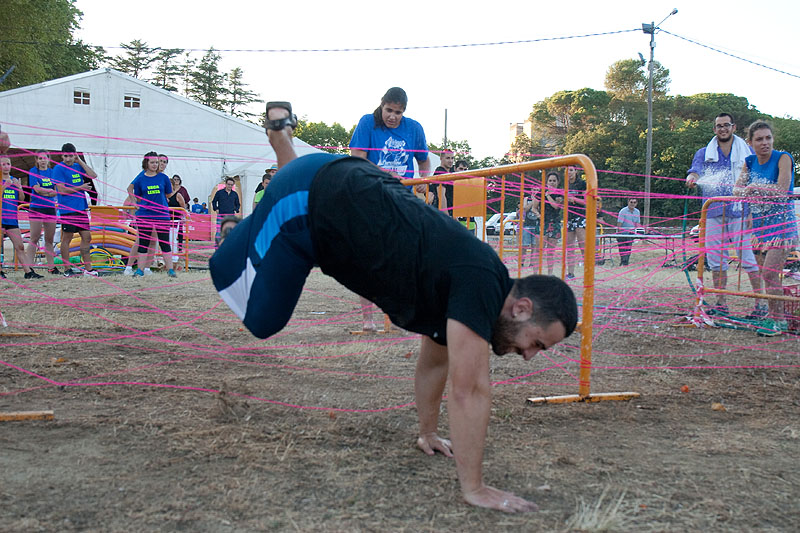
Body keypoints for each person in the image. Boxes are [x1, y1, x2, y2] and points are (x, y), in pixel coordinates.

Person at [210, 101, 578, 513]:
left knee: (276, 295)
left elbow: (435, 363)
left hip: (341, 190)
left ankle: (283, 142)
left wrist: (428, 433)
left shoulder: (469, 290)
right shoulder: (481, 285)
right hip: (306, 204)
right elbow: (469, 390)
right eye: (538, 344)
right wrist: (474, 488)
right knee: (262, 318)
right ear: (523, 309)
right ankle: (238, 228)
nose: (529, 355)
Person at [349, 87, 431, 330]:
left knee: (401, 258)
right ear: (381, 105)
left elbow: (424, 159)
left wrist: (422, 181)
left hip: (401, 200)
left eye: (398, 112)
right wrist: (384, 172)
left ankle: (398, 314)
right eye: (389, 110)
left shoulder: (413, 128)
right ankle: (368, 321)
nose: (392, 116)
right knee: (368, 259)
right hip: (370, 197)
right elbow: (356, 159)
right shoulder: (367, 123)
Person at [686, 113, 763, 317]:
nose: (722, 129)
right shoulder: (704, 153)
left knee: (747, 257)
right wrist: (692, 178)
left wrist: (750, 212)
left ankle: (760, 305)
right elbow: (695, 171)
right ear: (714, 129)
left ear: (733, 127)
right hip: (712, 212)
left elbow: (752, 181)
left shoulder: (746, 152)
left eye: (726, 125)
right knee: (715, 259)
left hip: (739, 212)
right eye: (719, 126)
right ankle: (721, 304)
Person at [734, 120, 798, 336]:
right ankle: (775, 319)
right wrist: (747, 191)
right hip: (760, 229)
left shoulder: (783, 158)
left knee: (771, 274)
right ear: (750, 142)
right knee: (767, 276)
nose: (765, 143)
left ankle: (777, 322)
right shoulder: (750, 161)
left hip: (782, 227)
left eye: (768, 138)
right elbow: (737, 190)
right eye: (759, 139)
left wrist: (755, 188)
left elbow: (782, 190)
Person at [51, 142, 99, 277]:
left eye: (71, 156)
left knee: (87, 237)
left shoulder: (78, 166)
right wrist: (81, 188)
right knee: (67, 238)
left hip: (81, 208)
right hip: (67, 209)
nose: (68, 159)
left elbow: (93, 175)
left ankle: (88, 269)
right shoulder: (58, 169)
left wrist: (80, 161)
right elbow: (61, 190)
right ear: (62, 156)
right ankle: (67, 269)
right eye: (66, 156)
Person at [127, 151, 177, 278]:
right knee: (143, 242)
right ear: (146, 163)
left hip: (162, 215)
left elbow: (168, 193)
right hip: (144, 215)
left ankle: (170, 270)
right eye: (152, 162)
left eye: (157, 162)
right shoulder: (140, 179)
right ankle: (140, 270)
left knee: (164, 242)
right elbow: (136, 194)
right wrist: (135, 203)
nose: (155, 165)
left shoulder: (164, 178)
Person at [0, 156, 43, 279]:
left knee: (19, 246)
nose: (6, 167)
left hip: (12, 219)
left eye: (8, 164)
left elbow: (21, 200)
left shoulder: (14, 180)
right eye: (3, 164)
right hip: (1, 219)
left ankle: (28, 272)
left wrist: (19, 188)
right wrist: (4, 187)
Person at [25, 150, 60, 274]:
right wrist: (48, 192)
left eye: (45, 158)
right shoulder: (34, 171)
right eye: (40, 158)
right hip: (36, 208)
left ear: (48, 159)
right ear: (37, 160)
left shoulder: (52, 172)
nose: (43, 160)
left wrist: (46, 191)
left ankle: (51, 267)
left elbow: (57, 190)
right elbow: (37, 190)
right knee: (34, 238)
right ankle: (29, 268)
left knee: (49, 239)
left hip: (50, 208)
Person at [529, 172, 563, 275]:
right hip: (542, 224)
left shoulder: (560, 194)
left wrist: (547, 195)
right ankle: (536, 273)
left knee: (551, 251)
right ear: (546, 182)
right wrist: (539, 216)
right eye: (550, 181)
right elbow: (534, 208)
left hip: (555, 222)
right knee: (539, 249)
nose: (552, 183)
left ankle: (549, 273)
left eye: (554, 181)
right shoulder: (539, 193)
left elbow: (556, 206)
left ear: (557, 182)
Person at [564, 166, 587, 280]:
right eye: (567, 170)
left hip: (580, 216)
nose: (569, 172)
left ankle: (588, 273)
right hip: (569, 217)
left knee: (582, 245)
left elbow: (587, 201)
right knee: (570, 246)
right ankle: (570, 273)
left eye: (571, 170)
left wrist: (574, 199)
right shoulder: (565, 184)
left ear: (576, 171)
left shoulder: (582, 183)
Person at [167, 174, 189, 265]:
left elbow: (183, 207)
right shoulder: (164, 195)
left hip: (175, 220)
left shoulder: (178, 195)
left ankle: (174, 258)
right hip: (165, 219)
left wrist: (183, 217)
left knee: (172, 238)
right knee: (165, 239)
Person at [212, 178, 240, 245]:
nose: (230, 186)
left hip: (231, 216)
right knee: (219, 231)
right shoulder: (219, 192)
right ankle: (217, 246)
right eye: (228, 184)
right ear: (225, 184)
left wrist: (236, 210)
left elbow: (238, 204)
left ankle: (228, 246)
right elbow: (214, 201)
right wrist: (216, 209)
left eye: (231, 185)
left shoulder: (235, 194)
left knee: (230, 231)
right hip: (221, 215)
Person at [616, 198, 640, 266]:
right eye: (631, 202)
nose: (632, 204)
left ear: (636, 203)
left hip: (631, 233)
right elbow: (619, 224)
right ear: (628, 202)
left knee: (628, 248)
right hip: (623, 233)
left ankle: (626, 262)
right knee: (622, 248)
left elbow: (637, 223)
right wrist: (619, 234)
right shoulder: (623, 211)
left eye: (634, 202)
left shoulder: (637, 212)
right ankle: (623, 261)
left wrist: (638, 232)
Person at [429, 149, 454, 213]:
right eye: (448, 158)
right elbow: (441, 195)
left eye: (452, 158)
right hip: (441, 211)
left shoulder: (449, 173)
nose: (451, 161)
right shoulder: (440, 172)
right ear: (441, 158)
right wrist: (446, 215)